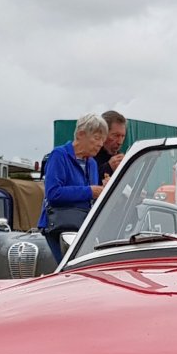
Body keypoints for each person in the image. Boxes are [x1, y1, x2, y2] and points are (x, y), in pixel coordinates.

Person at [39, 112, 107, 262]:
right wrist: (90, 191)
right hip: (59, 226)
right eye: (97, 138)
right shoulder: (59, 155)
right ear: (81, 134)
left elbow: (92, 200)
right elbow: (53, 194)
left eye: (102, 140)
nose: (101, 144)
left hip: (82, 228)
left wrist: (104, 190)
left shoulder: (92, 163)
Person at [94, 110, 127, 183]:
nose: (120, 142)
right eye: (116, 136)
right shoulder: (89, 155)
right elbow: (86, 183)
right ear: (103, 133)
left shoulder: (119, 158)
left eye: (123, 136)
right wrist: (108, 167)